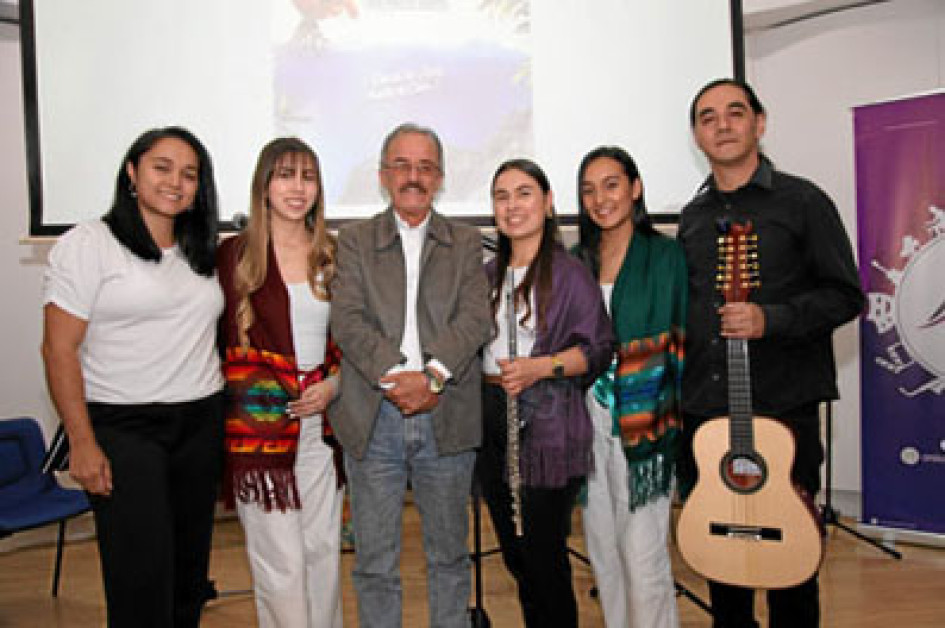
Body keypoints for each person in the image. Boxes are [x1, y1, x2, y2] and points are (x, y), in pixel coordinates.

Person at [677, 78, 865, 628]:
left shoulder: (803, 201)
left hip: (786, 411)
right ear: (697, 135)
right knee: (723, 566)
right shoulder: (691, 217)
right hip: (711, 413)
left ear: (760, 122)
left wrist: (772, 319)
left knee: (792, 568)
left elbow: (845, 294)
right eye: (708, 118)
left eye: (735, 113)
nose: (722, 125)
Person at [40, 127, 224, 627]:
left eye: (189, 174)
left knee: (188, 577)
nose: (175, 182)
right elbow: (59, 349)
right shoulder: (89, 244)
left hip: (201, 423)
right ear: (131, 173)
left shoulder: (201, 248)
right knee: (140, 579)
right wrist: (81, 442)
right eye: (161, 167)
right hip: (125, 429)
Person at [328, 122, 491, 628]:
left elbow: (475, 318)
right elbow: (347, 320)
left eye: (425, 166)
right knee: (375, 564)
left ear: (440, 177)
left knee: (449, 558)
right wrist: (401, 378)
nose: (413, 176)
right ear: (383, 174)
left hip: (448, 416)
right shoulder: (354, 241)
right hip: (374, 418)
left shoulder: (465, 242)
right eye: (402, 164)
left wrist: (432, 378)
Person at [478, 158, 613, 628]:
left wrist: (541, 367)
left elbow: (597, 349)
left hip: (548, 422)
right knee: (516, 556)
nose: (512, 206)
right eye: (502, 195)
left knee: (542, 554)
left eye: (524, 193)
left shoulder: (570, 273)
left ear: (549, 201)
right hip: (492, 416)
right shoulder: (488, 273)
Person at [216, 137, 344, 628]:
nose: (297, 187)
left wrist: (333, 385)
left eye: (307, 176)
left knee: (322, 555)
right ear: (263, 185)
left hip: (322, 430)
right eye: (285, 174)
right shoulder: (231, 258)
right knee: (281, 567)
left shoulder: (332, 253)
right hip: (259, 439)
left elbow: (351, 341)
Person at [572, 146, 686, 628]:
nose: (601, 198)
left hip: (646, 421)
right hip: (585, 417)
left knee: (642, 554)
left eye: (612, 184)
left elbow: (679, 336)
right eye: (589, 189)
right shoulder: (578, 260)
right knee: (603, 549)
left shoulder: (664, 255)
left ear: (635, 188)